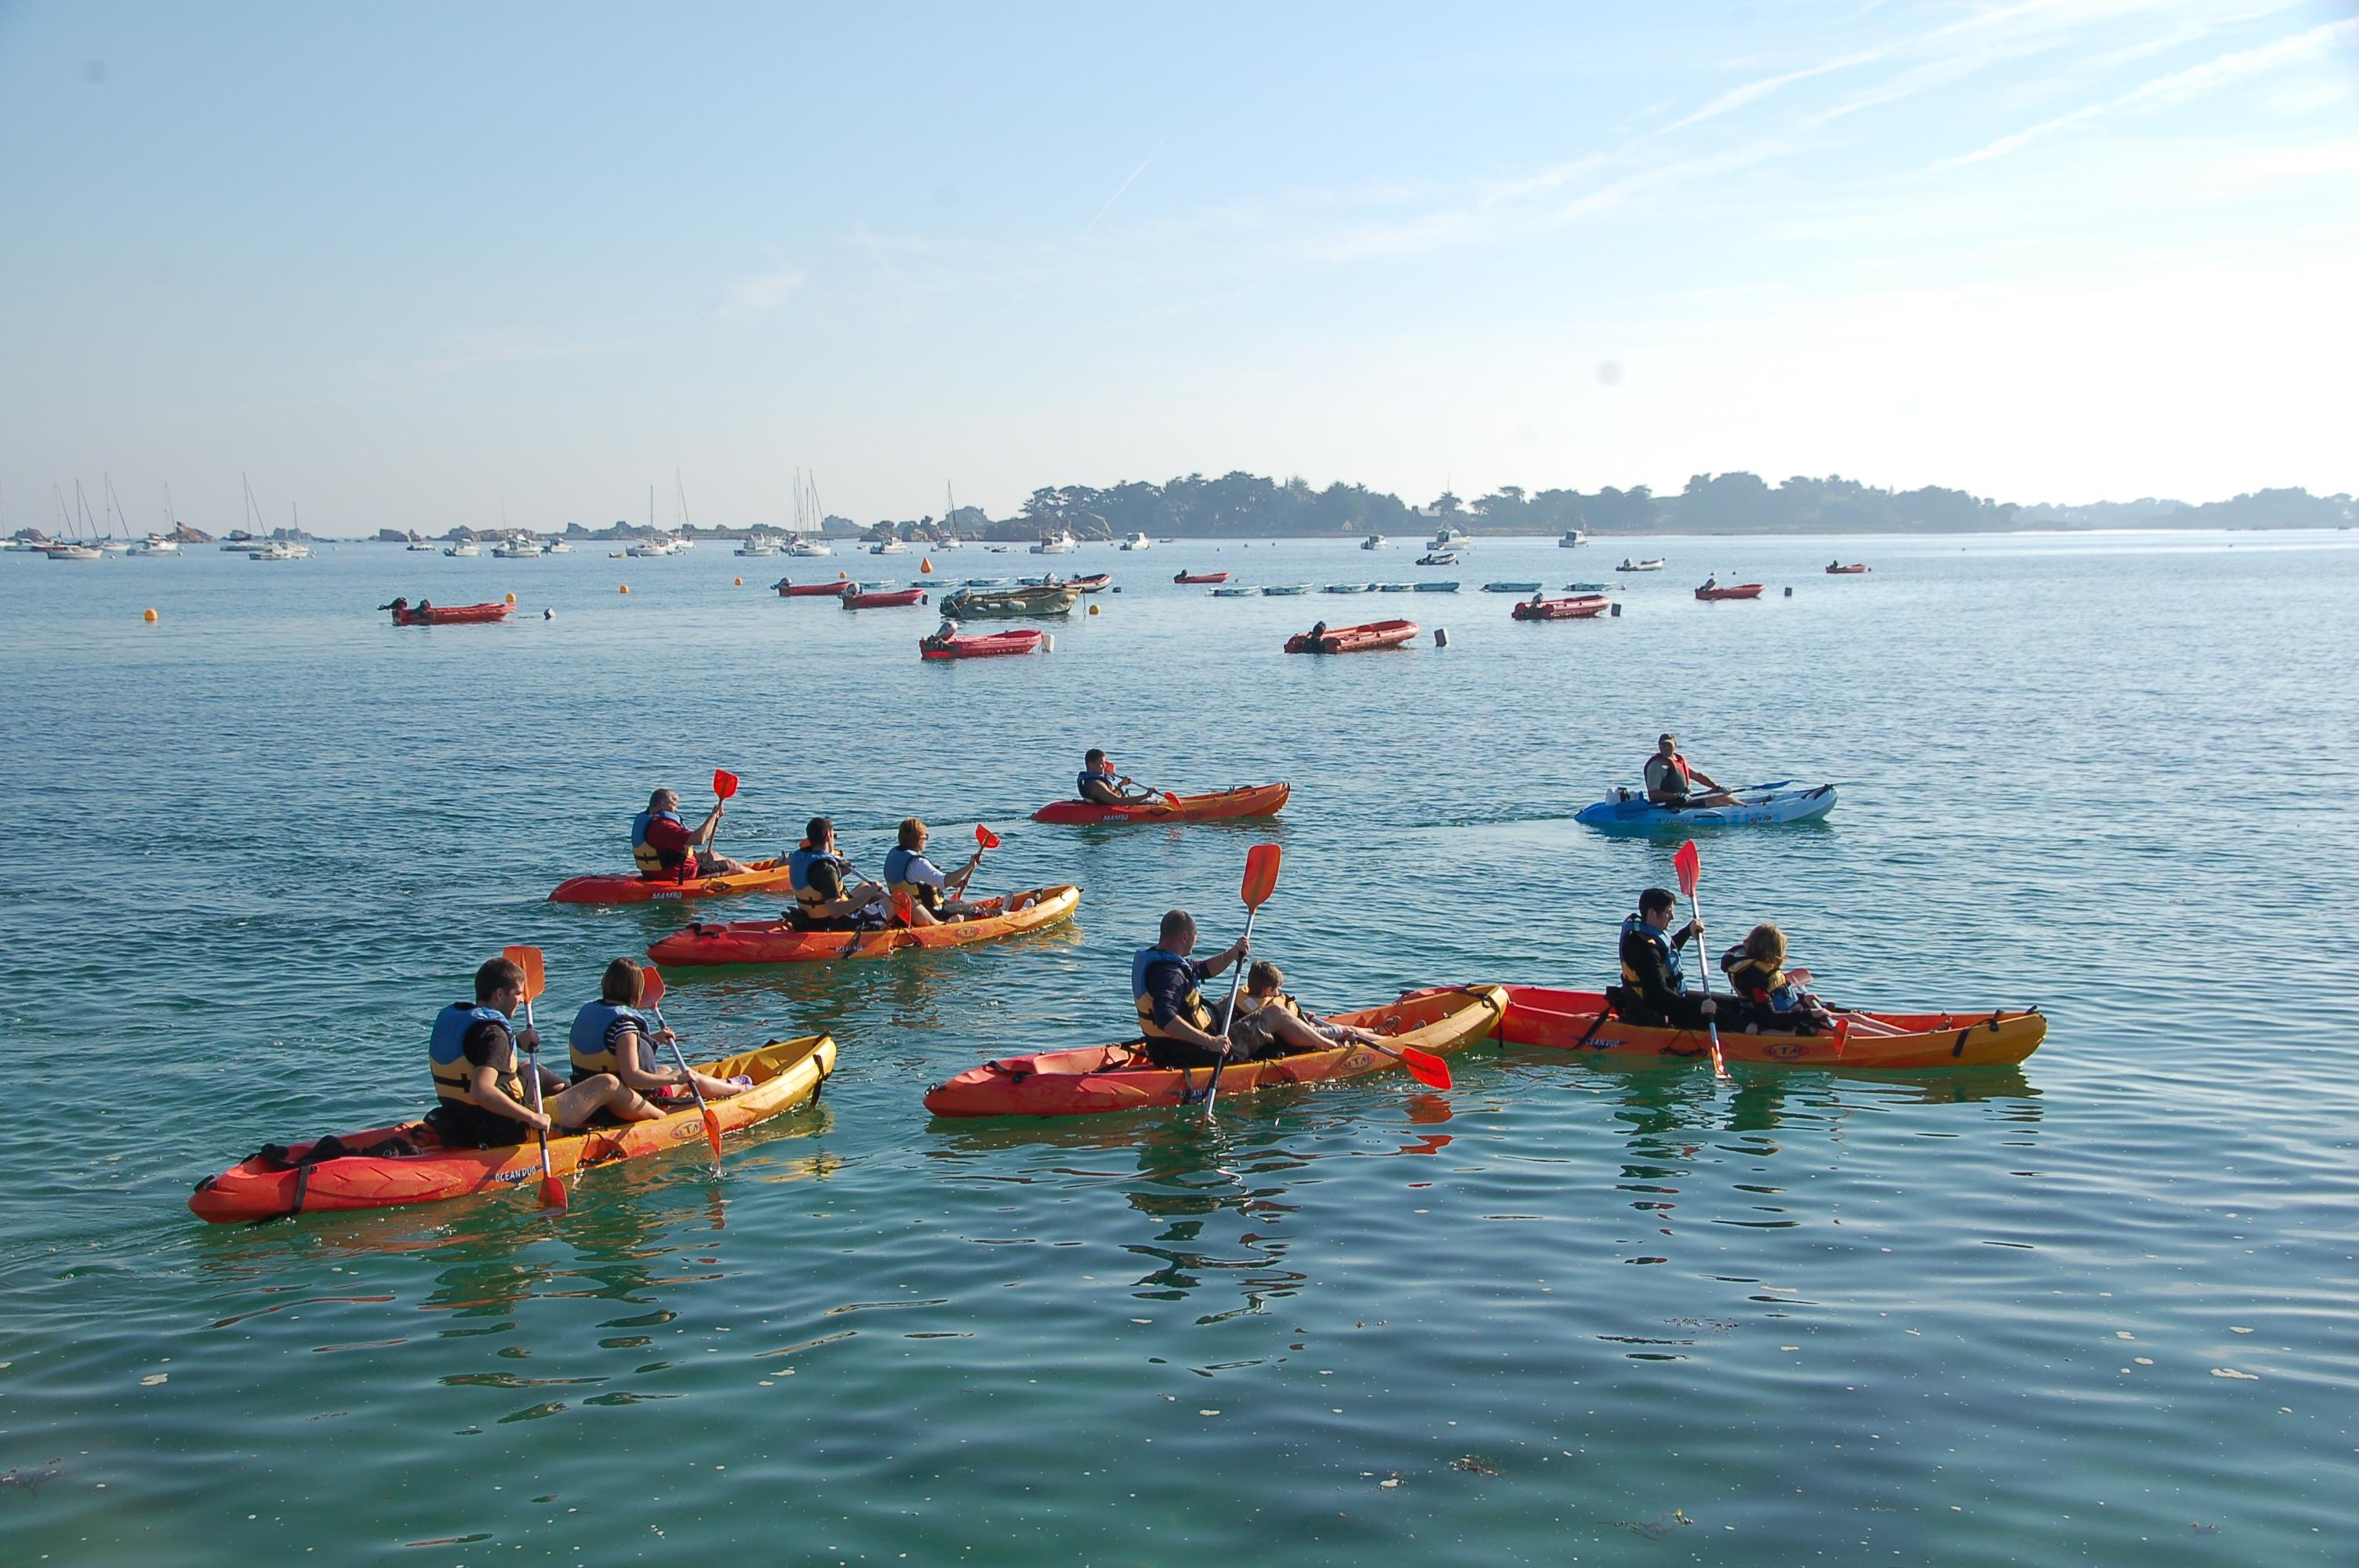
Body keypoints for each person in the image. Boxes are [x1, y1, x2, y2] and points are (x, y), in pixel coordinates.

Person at [429, 956, 663, 1148]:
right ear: (500, 994)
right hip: (508, 1130)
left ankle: (573, 1097)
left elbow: (475, 1057)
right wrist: (533, 1118)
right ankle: (663, 1118)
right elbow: (481, 1091)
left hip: (461, 1122)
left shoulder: (468, 1022)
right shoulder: (494, 1034)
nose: (521, 1000)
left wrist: (516, 1041)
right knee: (608, 1083)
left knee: (527, 1068)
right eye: (518, 993)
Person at [569, 957, 747, 1103]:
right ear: (636, 991)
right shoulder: (624, 1026)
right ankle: (739, 1089)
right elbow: (632, 1077)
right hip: (625, 1100)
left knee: (663, 1069)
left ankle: (725, 1083)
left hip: (588, 1094)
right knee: (686, 1074)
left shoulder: (591, 1010)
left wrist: (653, 1039)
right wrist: (676, 1080)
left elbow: (610, 1049)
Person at [1132, 909, 1251, 1069]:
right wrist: (1212, 1042)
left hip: (1162, 1047)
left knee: (1235, 1000)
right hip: (1188, 1052)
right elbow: (1165, 1020)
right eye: (1196, 934)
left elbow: (1203, 969)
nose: (1197, 939)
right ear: (1184, 937)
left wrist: (1232, 954)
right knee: (1274, 1015)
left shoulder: (1161, 959)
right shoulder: (1171, 975)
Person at [1216, 960, 1389, 1060]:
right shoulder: (1270, 1008)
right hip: (1297, 1038)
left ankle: (1375, 1031)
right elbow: (1281, 1024)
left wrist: (1301, 1017)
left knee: (1341, 1028)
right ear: (1268, 991)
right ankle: (1388, 1040)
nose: (1279, 993)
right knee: (1347, 1031)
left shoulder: (1241, 1000)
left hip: (1288, 1032)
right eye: (1277, 990)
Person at [1608, 887, 1718, 1030]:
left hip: (1668, 1002)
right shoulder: (1643, 948)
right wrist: (1699, 1009)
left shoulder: (1646, 937)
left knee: (1727, 1005)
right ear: (1652, 913)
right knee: (1724, 1016)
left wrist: (1687, 931)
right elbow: (1659, 997)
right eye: (1668, 912)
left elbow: (1664, 954)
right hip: (1655, 1015)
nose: (1672, 917)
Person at [1719, 924, 1836, 1034]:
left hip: (1786, 1014)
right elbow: (1770, 1017)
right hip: (1768, 1024)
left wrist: (1802, 998)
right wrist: (1808, 1014)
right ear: (1773, 952)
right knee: (1819, 1026)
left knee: (1849, 1017)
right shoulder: (1754, 979)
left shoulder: (1757, 970)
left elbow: (1776, 996)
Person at [786, 816, 890, 928]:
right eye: (834, 836)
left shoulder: (800, 859)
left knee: (865, 887)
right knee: (895, 902)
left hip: (812, 919)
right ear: (828, 836)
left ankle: (882, 919)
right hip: (834, 923)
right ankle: (899, 928)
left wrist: (840, 873)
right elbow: (835, 911)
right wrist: (870, 893)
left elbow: (815, 883)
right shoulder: (826, 869)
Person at [881, 818, 984, 926]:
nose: (926, 841)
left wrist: (956, 883)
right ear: (918, 840)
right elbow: (944, 882)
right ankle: (1001, 915)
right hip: (930, 914)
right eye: (925, 837)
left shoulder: (894, 855)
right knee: (981, 912)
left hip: (902, 913)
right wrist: (970, 866)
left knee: (960, 904)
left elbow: (915, 880)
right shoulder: (918, 863)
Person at [633, 788, 750, 881]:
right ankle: (762, 878)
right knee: (731, 865)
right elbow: (699, 838)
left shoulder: (647, 820)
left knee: (712, 855)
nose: (676, 809)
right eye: (673, 805)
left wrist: (714, 817)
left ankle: (753, 872)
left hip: (653, 872)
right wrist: (713, 816)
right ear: (663, 805)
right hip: (680, 873)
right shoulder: (663, 826)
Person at [1644, 733, 1737, 808]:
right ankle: (1740, 812)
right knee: (1713, 801)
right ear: (1659, 746)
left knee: (1719, 795)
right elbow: (1654, 794)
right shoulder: (1656, 766)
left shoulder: (1678, 760)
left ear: (1675, 746)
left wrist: (1718, 787)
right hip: (1670, 803)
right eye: (1663, 745)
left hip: (1684, 799)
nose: (1666, 748)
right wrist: (1678, 796)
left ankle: (1744, 807)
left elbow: (1698, 776)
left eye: (1669, 745)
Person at [1077, 748, 1155, 805]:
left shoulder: (1095, 781)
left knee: (1158, 801)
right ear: (1091, 764)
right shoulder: (1097, 785)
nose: (1104, 766)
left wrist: (1121, 785)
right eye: (1101, 763)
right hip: (1116, 807)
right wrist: (1146, 795)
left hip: (1118, 802)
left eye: (1105, 763)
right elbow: (1118, 801)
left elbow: (1110, 794)